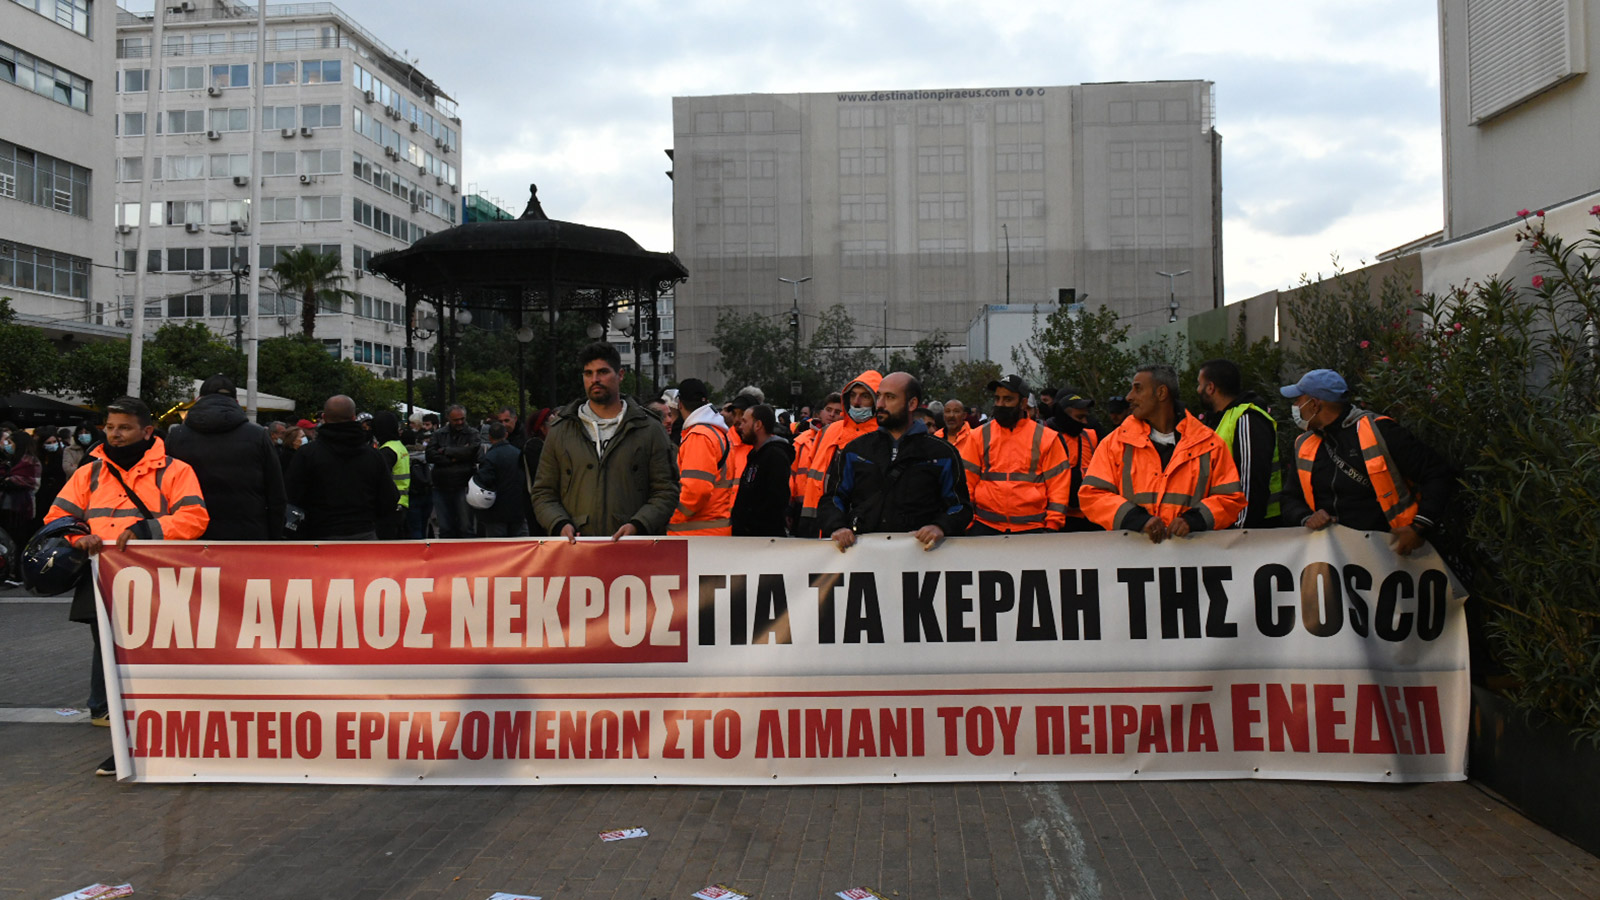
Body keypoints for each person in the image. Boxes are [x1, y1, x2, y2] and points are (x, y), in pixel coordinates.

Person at [43, 396, 209, 776]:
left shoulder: (175, 470)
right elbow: (58, 516)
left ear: (147, 431)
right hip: (102, 578)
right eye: (111, 427)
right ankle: (125, 742)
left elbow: (195, 517)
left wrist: (147, 531)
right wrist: (77, 537)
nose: (115, 435)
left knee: (150, 663)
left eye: (124, 428)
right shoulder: (90, 472)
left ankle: (148, 740)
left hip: (157, 579)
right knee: (113, 660)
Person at [1278, 369, 1454, 556]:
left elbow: (1438, 473)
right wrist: (1306, 517)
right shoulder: (1304, 444)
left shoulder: (1381, 432)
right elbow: (1290, 498)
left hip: (1389, 555)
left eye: (1298, 400)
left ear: (1314, 404)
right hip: (1331, 557)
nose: (1295, 406)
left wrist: (1419, 526)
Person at [1080, 365, 1246, 542]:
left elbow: (1231, 499)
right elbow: (1092, 495)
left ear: (1161, 393)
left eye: (1138, 388)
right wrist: (1137, 520)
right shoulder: (1115, 444)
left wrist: (1193, 521)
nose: (1129, 397)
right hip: (1133, 560)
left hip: (1189, 559)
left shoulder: (1209, 444)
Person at [531, 343, 679, 540]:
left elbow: (666, 490)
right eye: (588, 373)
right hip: (575, 550)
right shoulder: (560, 431)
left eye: (602, 372)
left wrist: (639, 524)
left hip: (633, 550)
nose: (595, 380)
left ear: (620, 375)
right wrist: (559, 523)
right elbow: (543, 492)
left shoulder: (650, 429)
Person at [820, 372, 972, 550]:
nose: (881, 404)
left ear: (912, 404)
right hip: (863, 556)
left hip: (922, 557)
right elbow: (834, 498)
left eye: (890, 397)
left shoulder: (942, 453)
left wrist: (940, 526)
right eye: (879, 397)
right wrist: (837, 526)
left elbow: (961, 507)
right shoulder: (856, 449)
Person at [164, 374, 286, 541]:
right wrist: (273, 537)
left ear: (199, 399)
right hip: (248, 535)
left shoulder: (176, 436)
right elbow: (276, 494)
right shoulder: (258, 435)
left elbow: (163, 491)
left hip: (191, 536)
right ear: (236, 401)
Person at [960, 375, 1072, 534]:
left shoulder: (1047, 438)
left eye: (1007, 399)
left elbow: (1059, 487)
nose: (1000, 404)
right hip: (985, 527)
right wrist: (968, 522)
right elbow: (966, 482)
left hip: (1033, 529)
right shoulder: (978, 436)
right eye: (997, 399)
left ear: (1023, 403)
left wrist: (1053, 525)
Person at [285, 395, 399, 540]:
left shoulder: (307, 454)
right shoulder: (373, 455)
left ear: (324, 418)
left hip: (319, 536)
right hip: (363, 533)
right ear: (353, 418)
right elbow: (389, 497)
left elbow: (292, 495)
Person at [1196, 359, 1282, 528]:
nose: (1197, 390)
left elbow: (1251, 481)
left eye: (1199, 384)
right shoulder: (1219, 419)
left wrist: (1241, 529)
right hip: (1227, 522)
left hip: (1252, 529)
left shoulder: (1246, 419)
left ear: (1211, 388)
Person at [797, 371, 882, 537]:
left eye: (865, 396)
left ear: (877, 401)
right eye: (853, 395)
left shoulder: (882, 436)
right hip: (814, 521)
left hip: (854, 530)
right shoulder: (828, 431)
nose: (856, 402)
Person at [668, 378, 735, 536]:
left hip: (695, 534)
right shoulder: (717, 432)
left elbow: (696, 491)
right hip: (712, 529)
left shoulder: (699, 435)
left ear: (680, 404)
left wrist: (671, 515)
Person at [730, 403, 794, 537]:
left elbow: (776, 500)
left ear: (758, 425)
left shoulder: (775, 455)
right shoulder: (755, 455)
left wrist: (750, 524)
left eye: (745, 421)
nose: (740, 426)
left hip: (762, 540)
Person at [1042, 390, 1101, 532]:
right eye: (1079, 417)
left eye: (1085, 417)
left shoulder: (1090, 436)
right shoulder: (1044, 437)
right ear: (1064, 416)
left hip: (1086, 515)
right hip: (1052, 518)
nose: (1084, 422)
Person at [425, 404, 480, 538]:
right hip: (441, 485)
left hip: (463, 484)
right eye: (456, 420)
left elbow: (472, 451)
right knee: (445, 528)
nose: (460, 422)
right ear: (449, 419)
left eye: (462, 419)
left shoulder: (472, 433)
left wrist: (445, 451)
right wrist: (456, 457)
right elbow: (430, 455)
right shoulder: (439, 434)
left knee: (465, 527)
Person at [474, 422, 528, 537]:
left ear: (489, 437)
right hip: (518, 509)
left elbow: (484, 481)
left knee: (498, 549)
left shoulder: (490, 457)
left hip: (496, 512)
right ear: (506, 435)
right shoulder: (518, 453)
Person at [791, 391, 841, 507]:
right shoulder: (802, 439)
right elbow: (791, 475)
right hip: (801, 506)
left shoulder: (845, 442)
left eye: (837, 412)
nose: (832, 414)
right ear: (821, 412)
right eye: (828, 410)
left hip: (830, 507)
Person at [0, 428, 41, 564]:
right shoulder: (11, 461)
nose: (8, 445)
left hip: (22, 508)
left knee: (20, 540)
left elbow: (31, 482)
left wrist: (9, 481)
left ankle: (19, 572)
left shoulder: (30, 462)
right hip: (9, 507)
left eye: (10, 442)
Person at [370, 411, 410, 540]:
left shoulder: (386, 451)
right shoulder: (400, 447)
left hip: (390, 505)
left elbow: (379, 479)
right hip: (402, 502)